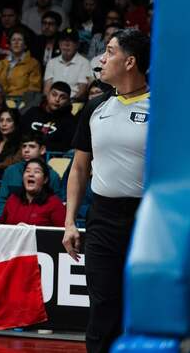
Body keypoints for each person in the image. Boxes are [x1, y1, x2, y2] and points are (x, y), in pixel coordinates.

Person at [62, 28, 150, 353]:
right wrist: (70, 221)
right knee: (103, 309)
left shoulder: (165, 110)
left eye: (109, 51)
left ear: (130, 62)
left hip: (147, 222)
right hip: (102, 219)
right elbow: (80, 169)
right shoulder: (94, 108)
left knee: (144, 310)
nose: (102, 58)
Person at [0, 132, 64, 216]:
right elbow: (1, 201)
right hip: (12, 223)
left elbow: (57, 206)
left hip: (39, 222)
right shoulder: (10, 171)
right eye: (24, 146)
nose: (26, 150)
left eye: (32, 146)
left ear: (42, 150)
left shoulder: (52, 175)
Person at [0, 158, 65, 226]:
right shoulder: (13, 199)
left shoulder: (54, 203)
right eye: (27, 171)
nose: (31, 174)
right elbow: (2, 228)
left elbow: (62, 232)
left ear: (45, 179)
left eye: (36, 171)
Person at [20, 81, 77, 151]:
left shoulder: (70, 121)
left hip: (50, 158)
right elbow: (19, 135)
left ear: (68, 101)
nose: (57, 99)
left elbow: (65, 146)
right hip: (24, 153)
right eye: (54, 94)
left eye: (62, 97)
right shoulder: (33, 112)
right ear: (48, 95)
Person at [44, 28, 93, 101]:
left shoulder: (84, 63)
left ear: (77, 45)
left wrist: (65, 102)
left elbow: (82, 91)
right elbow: (47, 89)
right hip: (52, 102)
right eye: (63, 40)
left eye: (71, 41)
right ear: (59, 44)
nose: (66, 44)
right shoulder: (52, 62)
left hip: (73, 103)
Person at [0, 29, 43, 99]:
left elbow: (34, 89)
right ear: (9, 45)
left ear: (25, 45)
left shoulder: (33, 63)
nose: (16, 42)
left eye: (20, 40)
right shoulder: (1, 63)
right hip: (0, 101)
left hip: (21, 102)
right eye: (13, 40)